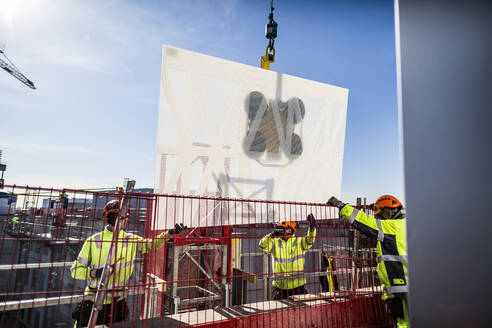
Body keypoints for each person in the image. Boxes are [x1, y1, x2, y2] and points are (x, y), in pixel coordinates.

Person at [70, 199, 186, 327]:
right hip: (95, 300)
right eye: (125, 216)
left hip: (114, 301)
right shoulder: (94, 241)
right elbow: (75, 271)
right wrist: (95, 273)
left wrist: (169, 233)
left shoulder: (126, 239)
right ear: (124, 219)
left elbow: (150, 245)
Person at [328, 195, 409, 328]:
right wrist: (375, 209)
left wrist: (343, 207)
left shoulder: (392, 227)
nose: (378, 218)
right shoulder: (406, 224)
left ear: (387, 212)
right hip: (414, 286)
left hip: (401, 289)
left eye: (379, 215)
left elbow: (366, 223)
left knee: (404, 324)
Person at [259, 214, 316, 300]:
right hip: (279, 287)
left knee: (301, 312)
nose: (283, 231)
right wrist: (271, 235)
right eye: (281, 228)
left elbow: (310, 240)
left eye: (285, 229)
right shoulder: (274, 242)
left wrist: (311, 229)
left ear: (292, 230)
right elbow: (262, 245)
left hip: (297, 286)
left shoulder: (299, 241)